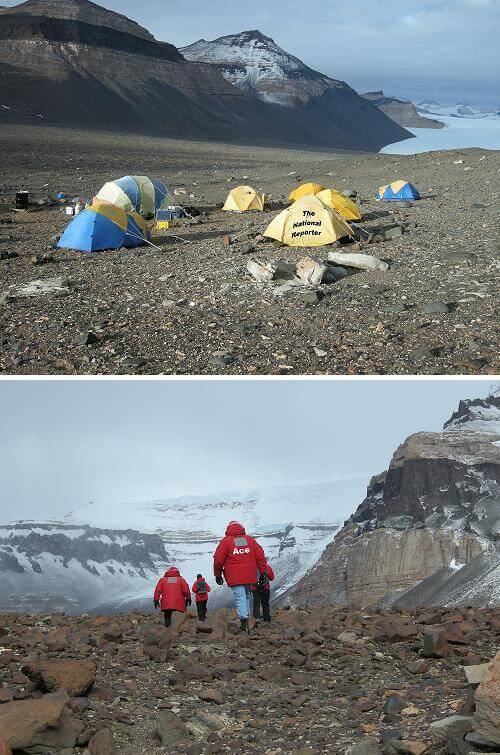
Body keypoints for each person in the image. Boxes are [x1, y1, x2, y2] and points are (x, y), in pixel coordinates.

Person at [213, 520, 268, 633]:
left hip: (234, 575)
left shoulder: (226, 541)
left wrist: (218, 575)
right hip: (249, 574)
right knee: (246, 595)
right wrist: (262, 572)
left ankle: (244, 620)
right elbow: (260, 556)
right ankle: (246, 618)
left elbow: (218, 560)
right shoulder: (249, 540)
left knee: (240, 596)